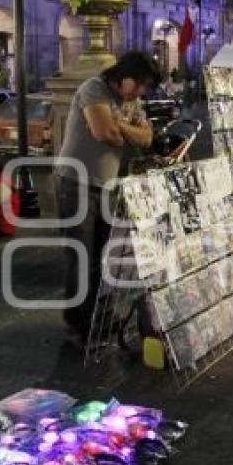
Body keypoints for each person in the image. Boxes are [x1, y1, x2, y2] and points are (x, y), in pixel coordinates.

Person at [55, 51, 159, 347]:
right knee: (81, 257)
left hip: (107, 186)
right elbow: (105, 134)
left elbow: (146, 138)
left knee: (103, 256)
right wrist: (122, 129)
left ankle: (99, 317)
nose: (140, 93)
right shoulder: (93, 89)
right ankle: (78, 326)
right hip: (76, 184)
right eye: (138, 85)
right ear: (123, 76)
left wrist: (121, 125)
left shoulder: (130, 102)